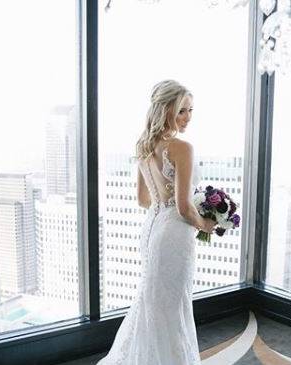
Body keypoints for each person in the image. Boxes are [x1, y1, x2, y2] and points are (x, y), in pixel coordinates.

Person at [96, 80, 216, 365]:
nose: (188, 117)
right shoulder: (182, 148)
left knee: (153, 302)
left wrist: (165, 207)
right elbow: (186, 208)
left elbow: (142, 198)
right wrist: (205, 224)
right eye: (182, 111)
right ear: (166, 110)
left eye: (190, 110)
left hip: (153, 229)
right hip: (173, 234)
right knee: (173, 306)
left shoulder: (145, 145)